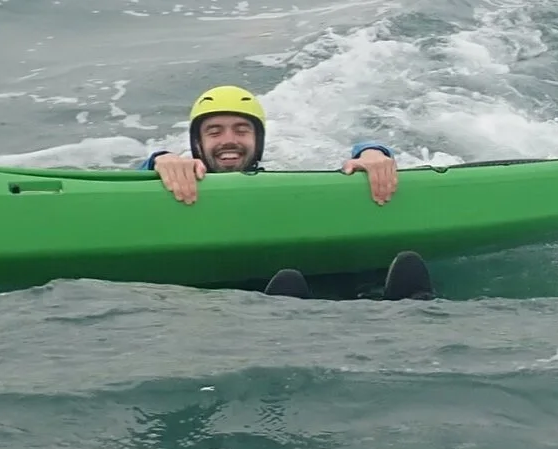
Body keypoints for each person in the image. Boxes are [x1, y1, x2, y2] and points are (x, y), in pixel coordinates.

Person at [137, 86, 430, 299]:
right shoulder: (172, 175)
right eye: (214, 132)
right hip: (235, 300)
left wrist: (372, 152)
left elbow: (340, 163)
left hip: (316, 281)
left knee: (400, 268)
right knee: (286, 288)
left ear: (258, 140)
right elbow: (125, 185)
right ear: (197, 144)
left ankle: (411, 308)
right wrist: (157, 161)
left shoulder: (284, 173)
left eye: (241, 130)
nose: (229, 140)